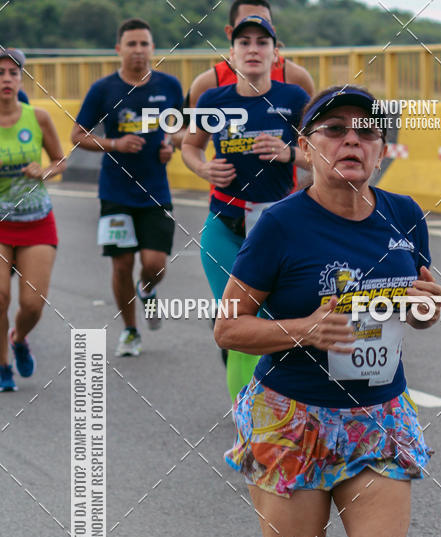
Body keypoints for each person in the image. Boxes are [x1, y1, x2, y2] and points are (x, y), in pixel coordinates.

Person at [214, 86, 441, 537]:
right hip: (294, 421)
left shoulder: (403, 216)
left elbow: (425, 298)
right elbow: (228, 327)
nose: (353, 140)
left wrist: (429, 305)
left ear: (382, 149)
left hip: (379, 418)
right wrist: (303, 329)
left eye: (367, 132)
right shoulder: (282, 226)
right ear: (308, 145)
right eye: (335, 129)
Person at [182, 16, 310, 401]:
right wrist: (204, 167)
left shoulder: (293, 100)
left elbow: (318, 155)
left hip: (279, 231)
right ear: (232, 54)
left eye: (261, 42)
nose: (253, 49)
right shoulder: (213, 100)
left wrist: (290, 153)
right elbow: (190, 146)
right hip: (225, 227)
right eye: (244, 43)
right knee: (239, 328)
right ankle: (248, 423)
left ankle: (279, 405)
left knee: (273, 323)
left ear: (275, 53)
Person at [71, 18, 184, 357]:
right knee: (121, 264)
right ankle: (131, 330)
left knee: (155, 264)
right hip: (115, 192)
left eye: (144, 44)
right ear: (119, 49)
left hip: (155, 191)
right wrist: (115, 145)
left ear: (153, 49)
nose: (138, 51)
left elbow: (179, 130)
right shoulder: (104, 89)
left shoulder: (170, 85)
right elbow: (77, 135)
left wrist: (171, 146)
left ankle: (147, 290)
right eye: (131, 44)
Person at [0, 48, 66, 392]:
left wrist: (44, 170)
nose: (6, 79)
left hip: (36, 219)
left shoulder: (37, 117)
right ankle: (3, 366)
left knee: (31, 304)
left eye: (13, 73)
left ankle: (19, 338)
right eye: (0, 73)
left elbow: (60, 160)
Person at [185, 0, 314, 108]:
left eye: (264, 23)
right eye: (247, 23)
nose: (256, 27)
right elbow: (182, 133)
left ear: (272, 32)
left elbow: (311, 133)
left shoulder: (297, 79)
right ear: (230, 32)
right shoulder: (207, 84)